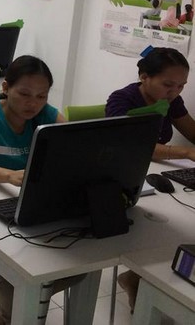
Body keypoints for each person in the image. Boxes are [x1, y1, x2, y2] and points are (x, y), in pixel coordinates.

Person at [0, 55, 80, 325]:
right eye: (24, 94)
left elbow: (77, 146)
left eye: (41, 96)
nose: (33, 103)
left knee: (78, 265)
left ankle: (27, 301)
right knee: (7, 279)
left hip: (29, 201)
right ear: (6, 88)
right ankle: (14, 314)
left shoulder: (46, 114)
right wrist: (10, 175)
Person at [106, 47, 195, 312]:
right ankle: (137, 277)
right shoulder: (122, 100)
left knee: (183, 219)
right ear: (144, 77)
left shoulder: (171, 101)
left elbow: (191, 131)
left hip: (159, 171)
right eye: (168, 84)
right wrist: (186, 153)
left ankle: (141, 278)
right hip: (126, 173)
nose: (175, 91)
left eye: (181, 86)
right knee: (167, 222)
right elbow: (135, 145)